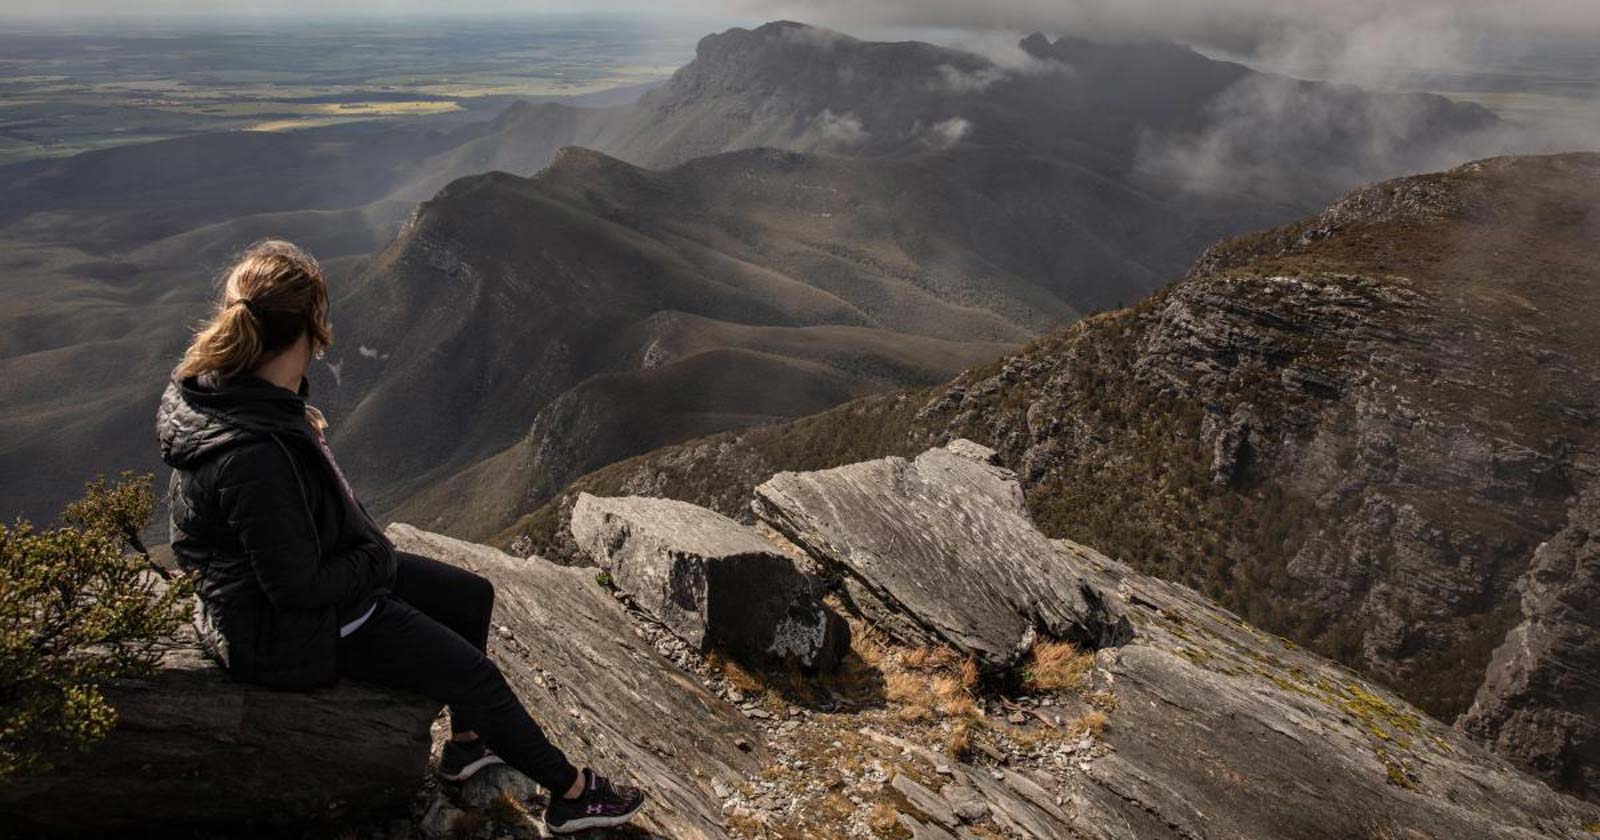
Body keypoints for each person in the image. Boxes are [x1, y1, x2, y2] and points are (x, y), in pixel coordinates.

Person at [156, 240, 644, 835]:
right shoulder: (256, 453)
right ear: (313, 327)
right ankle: (572, 794)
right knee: (474, 675)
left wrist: (365, 555)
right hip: (285, 627)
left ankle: (467, 747)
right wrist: (375, 561)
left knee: (471, 595)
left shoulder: (230, 392)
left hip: (308, 581)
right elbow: (296, 587)